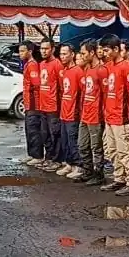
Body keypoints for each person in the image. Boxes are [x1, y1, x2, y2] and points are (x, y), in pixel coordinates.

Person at [100, 36, 129, 196]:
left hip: (120, 116)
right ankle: (119, 178)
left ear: (116, 50)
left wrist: (128, 111)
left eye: (107, 50)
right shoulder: (110, 67)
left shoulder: (125, 67)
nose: (104, 53)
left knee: (125, 150)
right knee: (112, 150)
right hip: (110, 115)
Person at [76, 40, 105, 186]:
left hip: (95, 116)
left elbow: (105, 94)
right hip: (85, 114)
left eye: (83, 53)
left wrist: (101, 114)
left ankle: (99, 174)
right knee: (82, 145)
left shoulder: (101, 70)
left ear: (92, 53)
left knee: (96, 147)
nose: (82, 56)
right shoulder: (88, 70)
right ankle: (87, 171)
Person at [56, 44, 84, 179]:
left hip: (73, 113)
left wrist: (78, 111)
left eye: (65, 54)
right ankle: (69, 163)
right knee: (65, 140)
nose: (62, 56)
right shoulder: (65, 71)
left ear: (72, 54)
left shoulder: (78, 71)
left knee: (73, 140)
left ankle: (78, 166)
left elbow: (82, 93)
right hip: (64, 112)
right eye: (61, 54)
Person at [36, 38, 63, 170]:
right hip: (43, 106)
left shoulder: (57, 64)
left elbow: (62, 86)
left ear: (52, 49)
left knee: (55, 134)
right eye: (41, 48)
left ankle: (57, 160)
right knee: (44, 134)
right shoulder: (41, 64)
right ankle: (49, 157)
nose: (43, 51)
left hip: (53, 107)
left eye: (46, 48)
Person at [20, 42, 45, 167]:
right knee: (29, 130)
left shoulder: (32, 65)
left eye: (22, 51)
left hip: (34, 104)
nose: (20, 54)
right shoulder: (27, 65)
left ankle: (38, 156)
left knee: (34, 130)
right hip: (29, 103)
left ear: (29, 51)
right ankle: (32, 154)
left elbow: (36, 84)